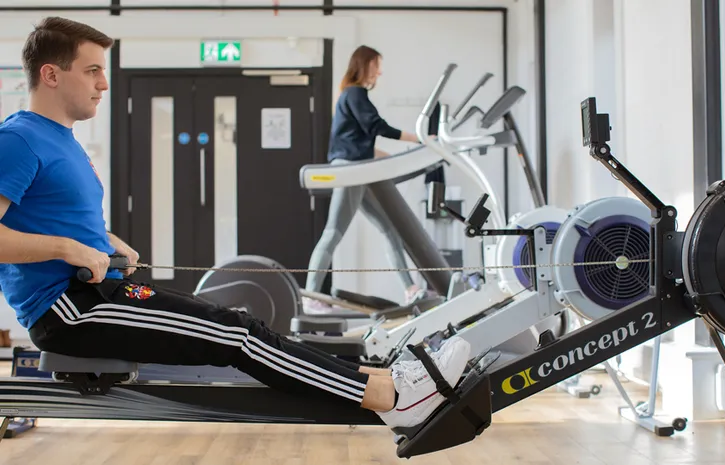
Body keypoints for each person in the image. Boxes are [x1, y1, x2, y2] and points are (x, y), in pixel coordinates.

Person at [0, 16, 471, 431]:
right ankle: (395, 401)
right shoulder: (19, 140)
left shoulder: (61, 140)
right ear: (51, 74)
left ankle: (388, 380)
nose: (104, 83)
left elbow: (56, 213)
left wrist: (105, 240)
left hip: (103, 290)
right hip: (67, 310)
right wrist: (67, 249)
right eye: (92, 70)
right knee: (237, 337)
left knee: (240, 323)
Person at [302, 45, 435, 314]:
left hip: (359, 167)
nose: (380, 72)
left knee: (389, 229)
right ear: (365, 65)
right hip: (352, 170)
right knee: (333, 232)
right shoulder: (355, 93)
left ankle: (410, 289)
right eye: (377, 65)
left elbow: (362, 143)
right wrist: (419, 138)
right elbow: (377, 126)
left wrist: (406, 158)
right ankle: (311, 295)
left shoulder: (348, 97)